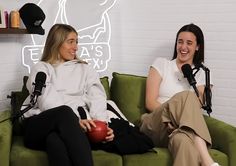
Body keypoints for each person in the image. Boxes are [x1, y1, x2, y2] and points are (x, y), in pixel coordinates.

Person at [21, 23, 114, 166]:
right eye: (70, 42)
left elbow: (97, 96)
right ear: (56, 43)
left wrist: (100, 124)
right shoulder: (42, 68)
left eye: (76, 42)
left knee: (54, 141)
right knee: (64, 112)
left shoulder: (86, 69)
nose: (75, 47)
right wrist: (74, 121)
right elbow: (45, 97)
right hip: (38, 126)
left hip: (66, 130)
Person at [140, 23, 220, 166]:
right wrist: (172, 117)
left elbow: (197, 107)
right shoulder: (161, 64)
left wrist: (179, 124)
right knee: (187, 96)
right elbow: (150, 102)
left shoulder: (203, 74)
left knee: (183, 141)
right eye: (180, 41)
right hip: (155, 123)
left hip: (181, 129)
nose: (183, 47)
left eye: (189, 43)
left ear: (197, 47)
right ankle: (208, 162)